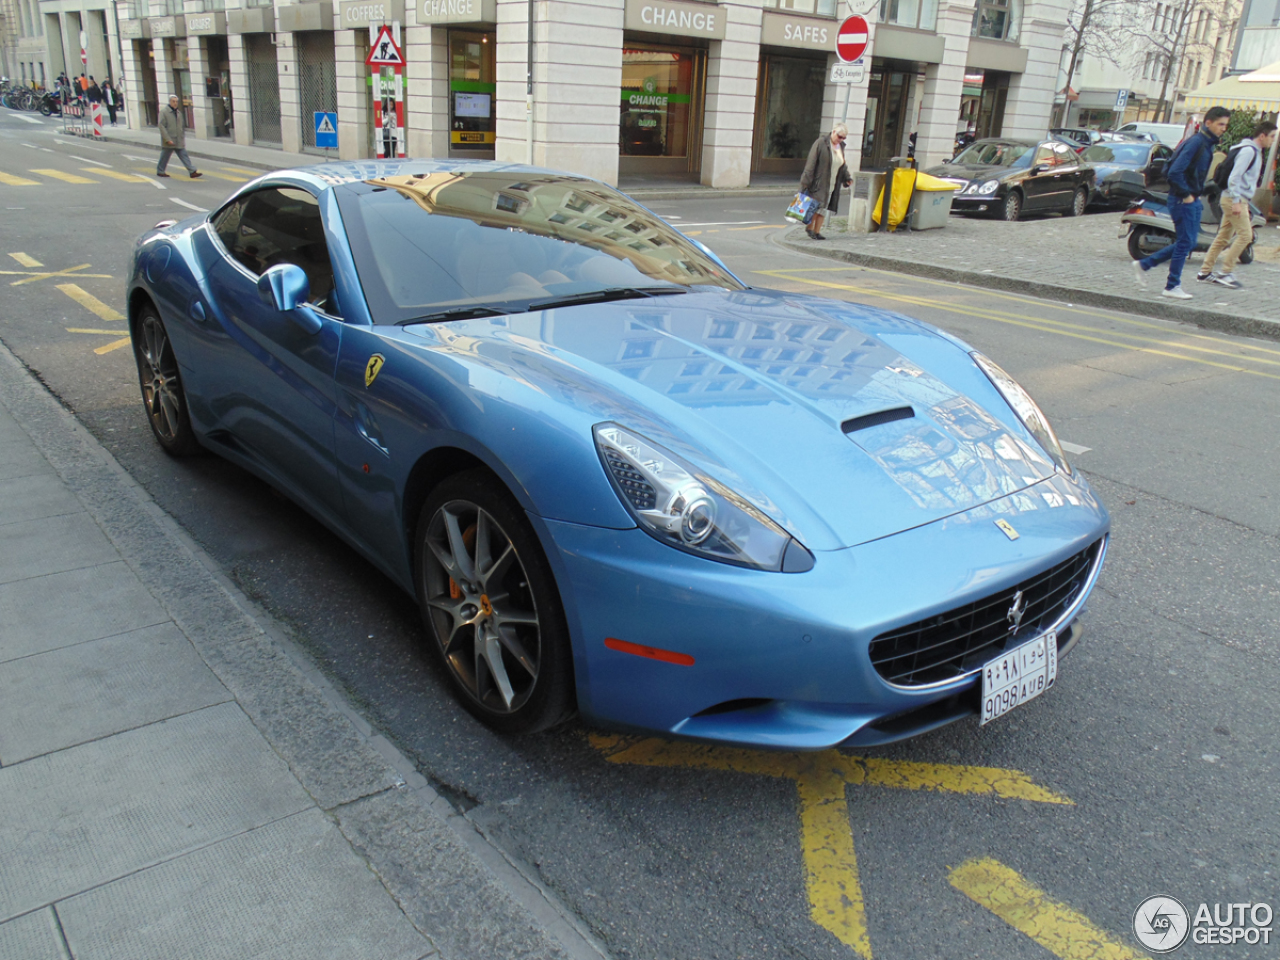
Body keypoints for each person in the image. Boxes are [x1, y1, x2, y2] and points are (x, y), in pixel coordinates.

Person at [1132, 106, 1231, 300]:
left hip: (1189, 199)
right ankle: (1171, 285)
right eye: (1221, 124)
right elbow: (1175, 171)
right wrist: (1186, 195)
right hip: (1182, 199)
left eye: (1226, 125)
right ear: (1208, 122)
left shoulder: (1205, 143)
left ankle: (1146, 265)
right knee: (1186, 242)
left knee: (1189, 242)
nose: (1223, 129)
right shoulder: (1196, 143)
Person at [1196, 120, 1277, 289]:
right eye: (1271, 136)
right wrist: (1236, 201)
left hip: (1234, 198)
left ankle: (1205, 271)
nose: (1272, 140)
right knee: (1245, 236)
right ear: (1262, 136)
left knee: (1223, 237)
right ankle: (1226, 272)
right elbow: (1234, 177)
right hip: (1236, 199)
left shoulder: (1252, 150)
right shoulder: (1249, 151)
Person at [799, 123, 853, 241]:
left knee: (823, 207)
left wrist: (847, 178)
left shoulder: (840, 147)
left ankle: (817, 231)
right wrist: (804, 183)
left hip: (832, 182)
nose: (841, 140)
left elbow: (842, 164)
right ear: (833, 132)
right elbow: (811, 164)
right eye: (840, 136)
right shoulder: (821, 143)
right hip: (819, 181)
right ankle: (810, 228)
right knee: (816, 206)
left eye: (844, 138)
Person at [156, 95, 201, 179]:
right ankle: (160, 171)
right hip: (170, 139)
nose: (175, 103)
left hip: (178, 139)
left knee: (184, 155)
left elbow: (181, 126)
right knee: (165, 156)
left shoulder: (178, 113)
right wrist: (167, 139)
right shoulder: (164, 112)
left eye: (176, 101)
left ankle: (192, 171)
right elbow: (161, 126)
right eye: (173, 101)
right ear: (169, 102)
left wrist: (182, 137)